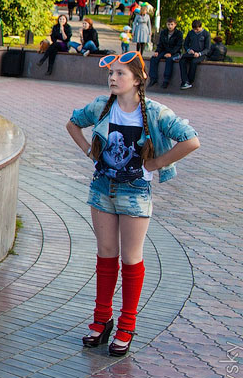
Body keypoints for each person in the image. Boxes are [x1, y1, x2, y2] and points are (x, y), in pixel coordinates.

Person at [67, 50, 198, 356]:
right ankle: (101, 320)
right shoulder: (102, 107)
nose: (112, 78)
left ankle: (127, 324)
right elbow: (73, 123)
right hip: (102, 188)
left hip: (136, 192)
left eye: (120, 74)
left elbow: (191, 139)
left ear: (138, 79)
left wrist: (154, 165)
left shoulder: (154, 112)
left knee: (131, 258)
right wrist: (89, 151)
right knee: (106, 255)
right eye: (110, 73)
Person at [147, 17, 182, 89]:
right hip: (165, 51)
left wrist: (171, 53)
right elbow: (160, 44)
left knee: (169, 60)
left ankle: (166, 80)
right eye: (168, 24)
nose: (170, 26)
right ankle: (153, 78)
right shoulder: (164, 33)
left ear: (175, 25)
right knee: (154, 58)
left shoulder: (178, 33)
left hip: (175, 53)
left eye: (171, 24)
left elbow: (178, 46)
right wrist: (157, 51)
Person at [179, 19, 210, 89]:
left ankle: (190, 81)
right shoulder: (190, 33)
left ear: (200, 27)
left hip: (200, 55)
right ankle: (185, 81)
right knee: (182, 61)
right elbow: (185, 44)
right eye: (194, 29)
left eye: (197, 29)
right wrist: (188, 50)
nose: (195, 31)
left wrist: (200, 53)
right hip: (191, 53)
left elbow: (207, 48)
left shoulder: (206, 34)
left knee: (193, 62)